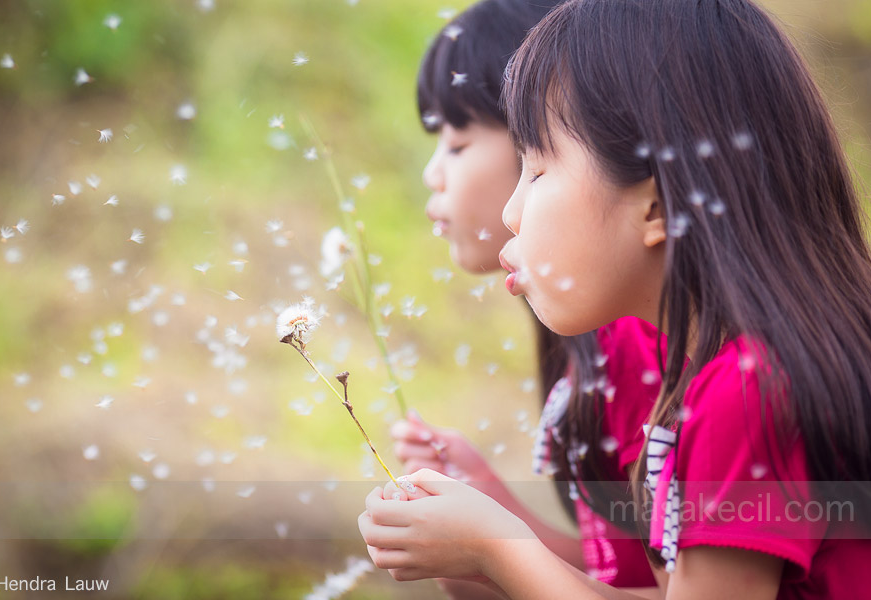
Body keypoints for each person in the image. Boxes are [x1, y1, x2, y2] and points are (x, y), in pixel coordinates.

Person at [360, 0, 871, 598]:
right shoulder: (721, 379)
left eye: (538, 168)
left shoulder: (745, 390)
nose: (511, 210)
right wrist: (483, 546)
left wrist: (496, 545)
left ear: (655, 206)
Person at [387, 0, 662, 596]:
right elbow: (617, 573)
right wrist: (486, 516)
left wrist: (491, 543)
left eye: (457, 144)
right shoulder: (590, 335)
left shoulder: (635, 341)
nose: (432, 174)